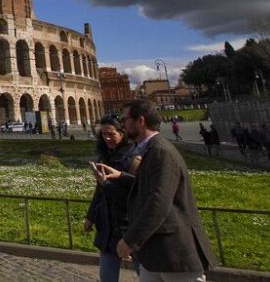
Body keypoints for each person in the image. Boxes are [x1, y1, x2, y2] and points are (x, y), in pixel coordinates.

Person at [96, 100, 217, 281]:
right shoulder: (152, 149)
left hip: (174, 252)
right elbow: (147, 186)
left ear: (141, 121)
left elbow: (158, 202)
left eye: (126, 119)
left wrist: (130, 240)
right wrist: (120, 175)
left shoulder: (161, 151)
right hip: (156, 253)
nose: (123, 124)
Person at [84, 117, 140, 282]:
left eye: (111, 134)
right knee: (107, 277)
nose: (106, 138)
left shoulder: (134, 158)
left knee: (146, 275)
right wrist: (90, 216)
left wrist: (106, 183)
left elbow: (135, 196)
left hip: (130, 226)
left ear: (122, 133)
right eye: (103, 134)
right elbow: (99, 190)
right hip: (108, 225)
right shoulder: (106, 156)